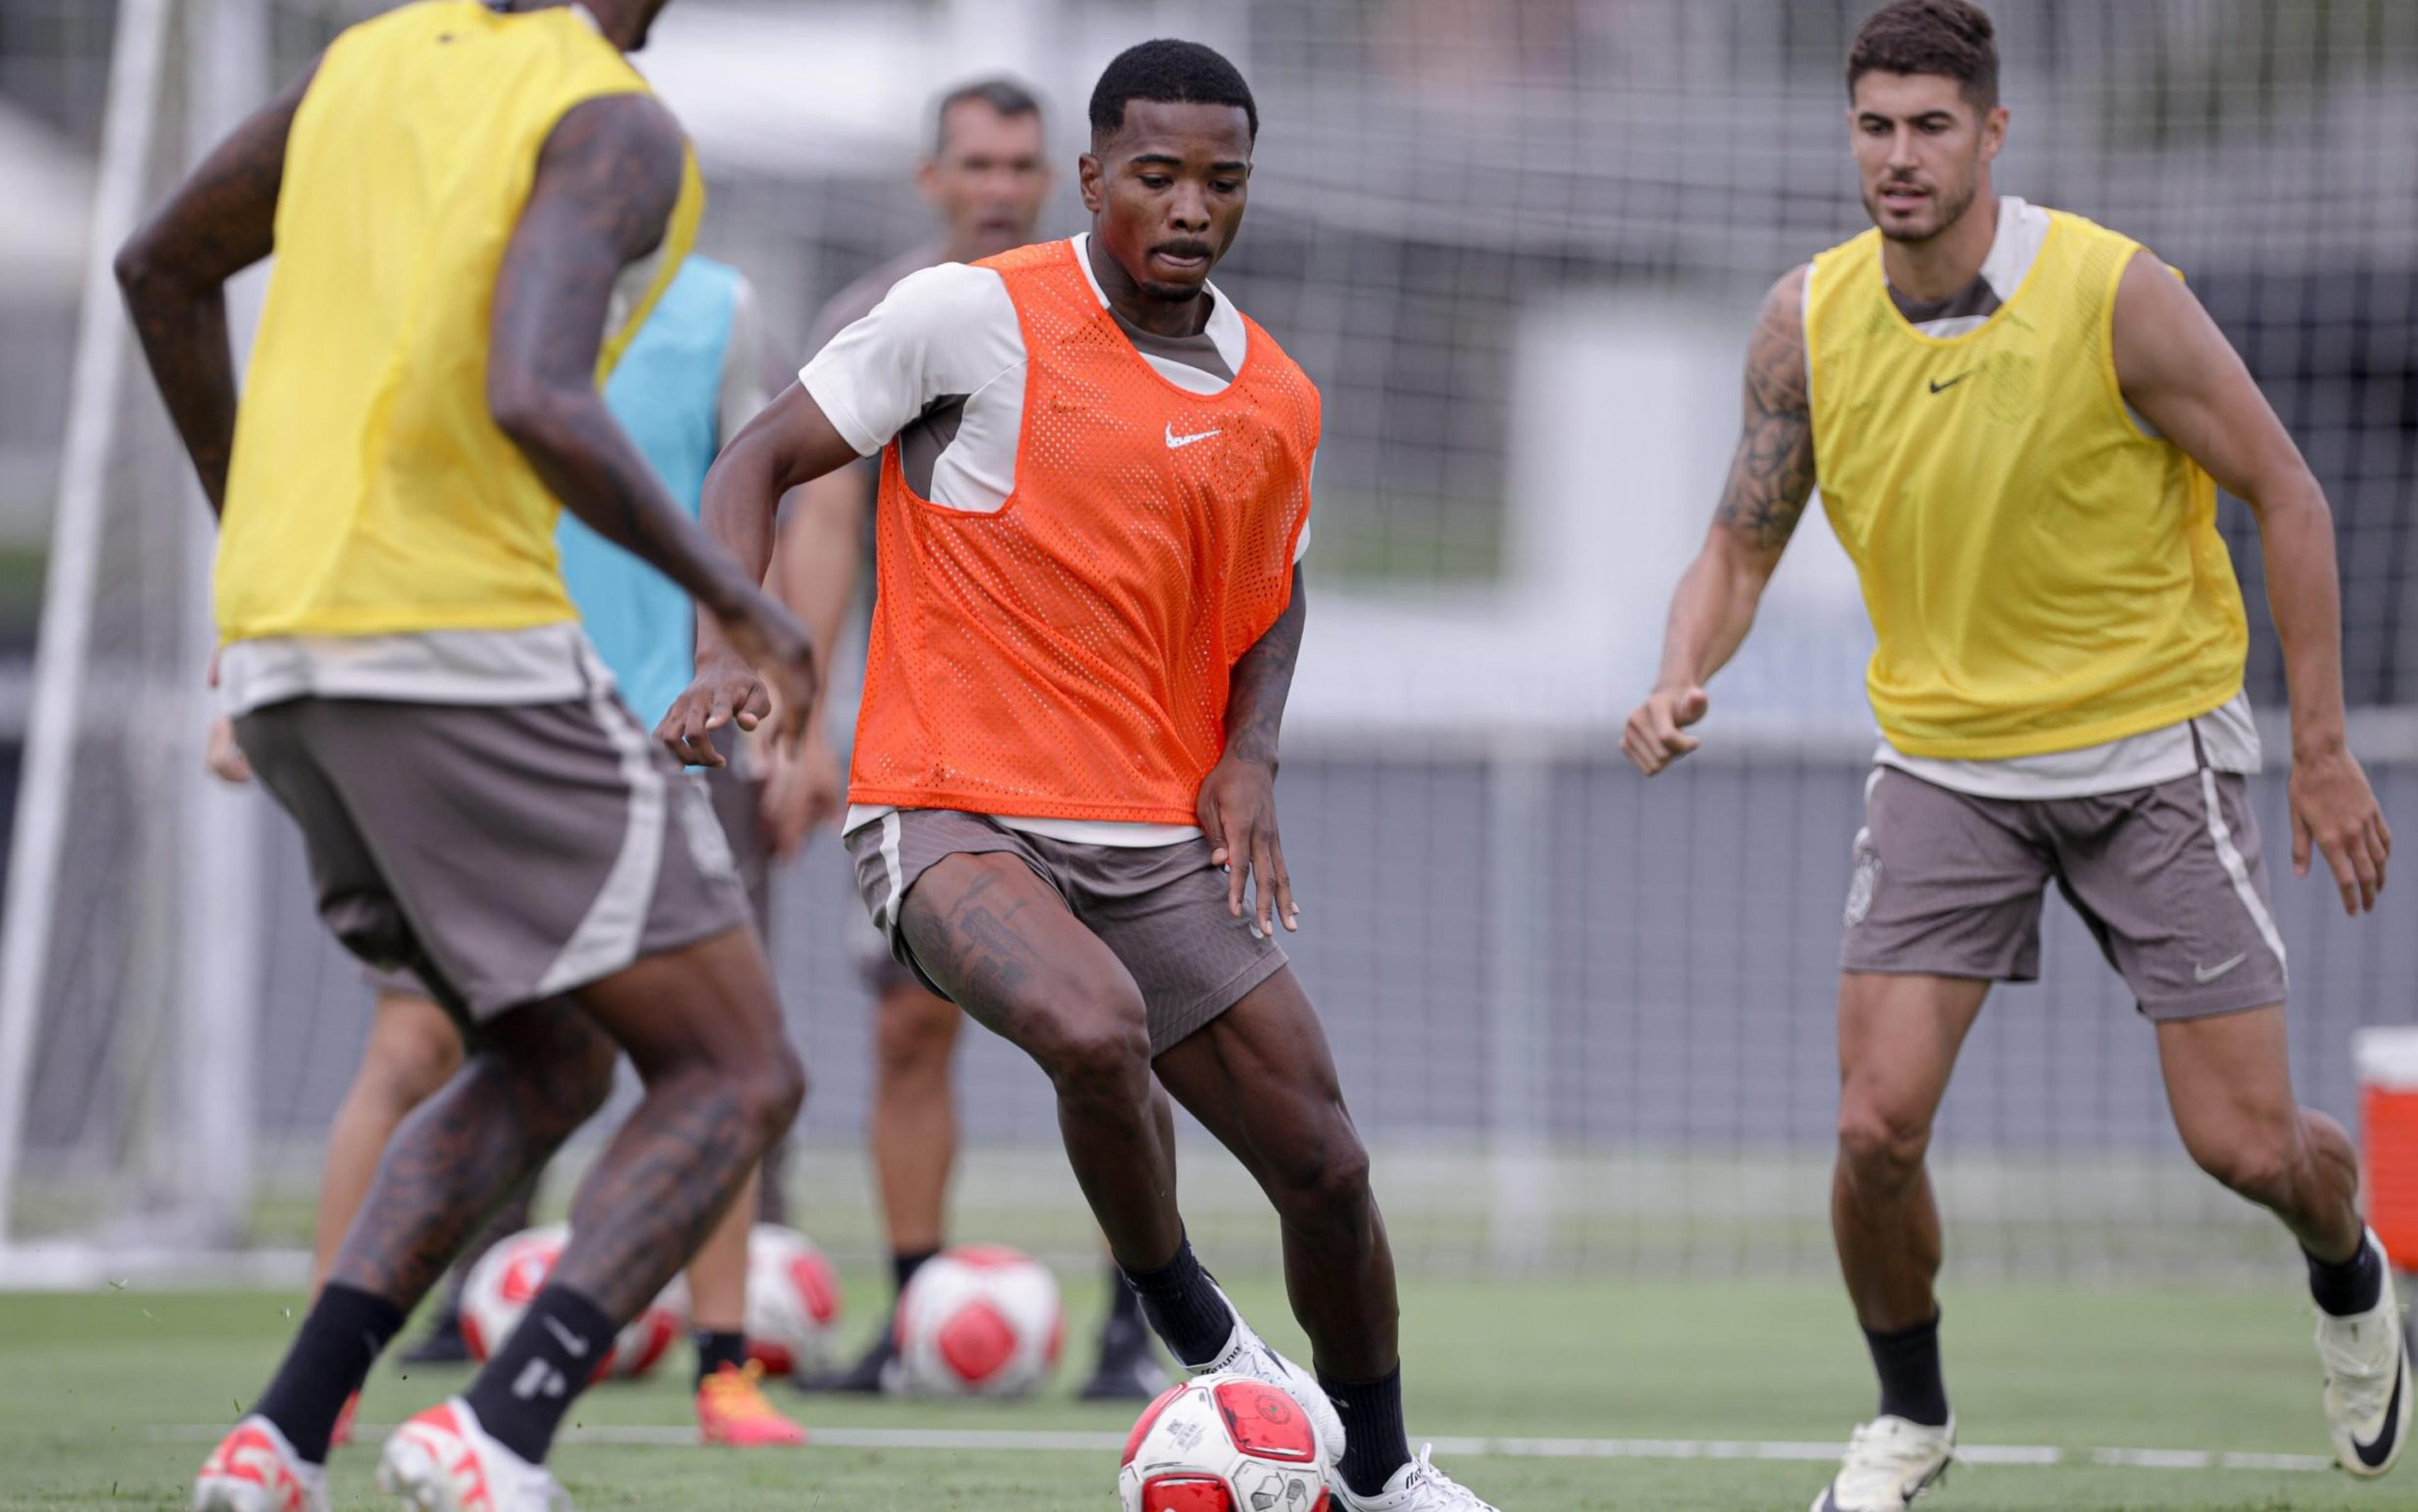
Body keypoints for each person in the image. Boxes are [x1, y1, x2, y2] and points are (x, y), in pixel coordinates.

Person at [663, 38, 1498, 1512]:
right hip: (946, 809)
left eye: (1221, 182)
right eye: (1158, 176)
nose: (1189, 207)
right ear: (1093, 176)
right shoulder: (966, 317)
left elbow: (1275, 596)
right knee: (1096, 1031)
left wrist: (1249, 755)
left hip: (1158, 834)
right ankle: (1208, 1339)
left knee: (1329, 1166)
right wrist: (741, 637)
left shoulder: (1275, 397)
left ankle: (1379, 1472)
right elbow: (755, 460)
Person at [1620, 4, 2406, 1508]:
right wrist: (1674, 676)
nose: (1899, 156)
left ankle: (2349, 1262)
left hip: (2149, 756)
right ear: (1848, 134)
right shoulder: (1808, 318)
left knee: (2245, 1147)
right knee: (1874, 1126)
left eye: (1930, 126)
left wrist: (2321, 749)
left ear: (1992, 134)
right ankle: (1910, 1417)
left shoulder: (2114, 295)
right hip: (1944, 769)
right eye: (1875, 126)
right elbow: (1737, 544)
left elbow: (2289, 494)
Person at [118, 0, 818, 1506]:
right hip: (461, 648)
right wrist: (740, 600)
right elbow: (534, 391)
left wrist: (262, 541)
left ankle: (284, 1434)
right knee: (737, 1066)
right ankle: (496, 1432)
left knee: (548, 1051)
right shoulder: (608, 115)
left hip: (295, 653)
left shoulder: (363, 63)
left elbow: (157, 266)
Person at [213, 248, 810, 1452]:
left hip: (656, 720)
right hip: (476, 716)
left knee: (693, 1050)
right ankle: (341, 1390)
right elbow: (328, 470)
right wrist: (239, 647)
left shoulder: (716, 309)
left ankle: (721, 1364)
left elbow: (753, 495)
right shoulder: (451, 284)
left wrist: (758, 669)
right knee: (439, 1042)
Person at [775, 74, 1163, 1403]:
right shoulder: (879, 323)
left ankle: (1136, 1317)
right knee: (903, 1029)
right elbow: (818, 522)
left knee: (1122, 1029)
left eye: (1018, 164)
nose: (998, 185)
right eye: (974, 165)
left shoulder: (1125, 318)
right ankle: (913, 1313)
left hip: (1111, 747)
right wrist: (801, 714)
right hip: (929, 748)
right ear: (932, 179)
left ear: (1052, 177)